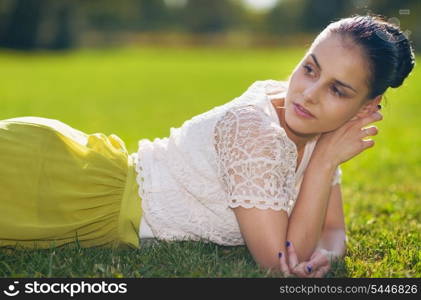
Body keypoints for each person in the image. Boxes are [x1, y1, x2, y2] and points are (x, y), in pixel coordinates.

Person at [0, 14, 415, 278]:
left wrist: (324, 255)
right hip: (62, 186)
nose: (308, 94)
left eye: (338, 90)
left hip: (79, 194)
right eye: (309, 68)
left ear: (368, 106)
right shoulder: (256, 130)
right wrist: (324, 162)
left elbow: (331, 229)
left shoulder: (317, 129)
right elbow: (279, 261)